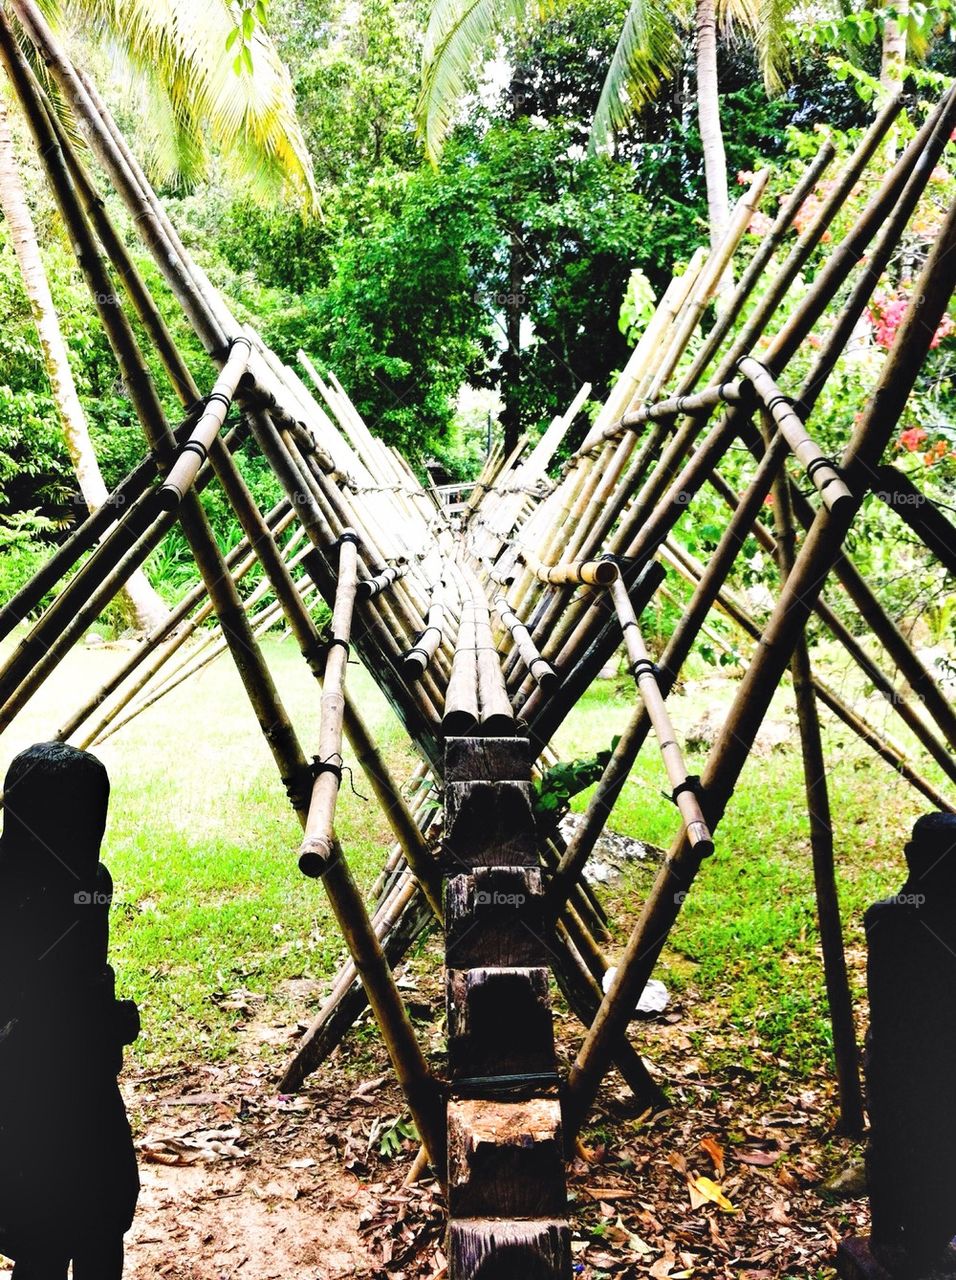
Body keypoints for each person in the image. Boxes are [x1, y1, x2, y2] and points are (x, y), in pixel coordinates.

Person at [0, 742, 139, 1279]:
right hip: (28, 1097)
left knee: (103, 1220)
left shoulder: (90, 884)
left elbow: (81, 979)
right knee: (46, 1236)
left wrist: (101, 1019)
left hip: (82, 1090)